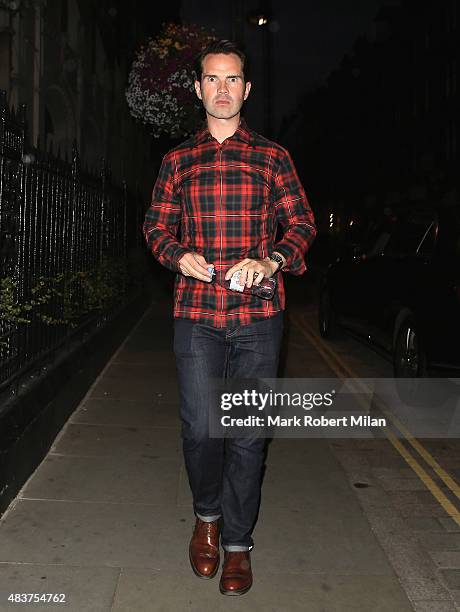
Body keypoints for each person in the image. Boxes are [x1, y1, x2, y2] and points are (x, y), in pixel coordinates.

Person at [143, 39, 316, 596]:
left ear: (247, 88)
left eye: (232, 79)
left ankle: (238, 544)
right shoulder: (177, 161)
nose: (222, 88)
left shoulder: (273, 157)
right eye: (212, 79)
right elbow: (155, 228)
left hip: (259, 315)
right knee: (201, 429)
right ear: (197, 88)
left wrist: (271, 258)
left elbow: (304, 225)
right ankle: (207, 518)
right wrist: (177, 255)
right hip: (195, 314)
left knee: (246, 434)